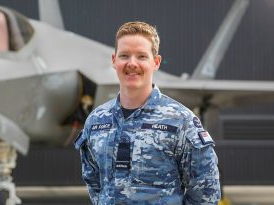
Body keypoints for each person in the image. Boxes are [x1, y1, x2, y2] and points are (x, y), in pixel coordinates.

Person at [74, 21, 221, 204]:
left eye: (142, 56)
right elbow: (94, 184)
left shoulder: (181, 121)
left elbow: (205, 192)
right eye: (124, 55)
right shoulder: (96, 122)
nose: (132, 63)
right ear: (114, 60)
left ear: (156, 62)